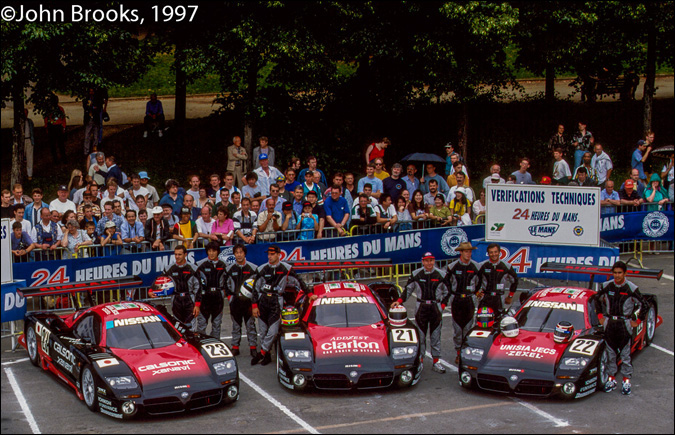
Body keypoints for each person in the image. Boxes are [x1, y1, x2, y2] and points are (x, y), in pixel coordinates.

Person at [391, 252, 449, 374]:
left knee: (435, 336)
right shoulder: (416, 274)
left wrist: (442, 305)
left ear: (434, 261)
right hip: (421, 307)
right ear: (422, 262)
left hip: (435, 307)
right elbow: (408, 289)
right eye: (427, 261)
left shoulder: (441, 274)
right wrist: (399, 301)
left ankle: (436, 361)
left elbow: (447, 292)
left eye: (431, 260)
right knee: (420, 336)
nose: (429, 263)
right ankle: (420, 361)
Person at [595, 261, 648, 395]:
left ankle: (626, 381)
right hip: (610, 323)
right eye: (615, 273)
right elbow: (596, 299)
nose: (617, 275)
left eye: (620, 273)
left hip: (625, 324)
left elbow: (644, 304)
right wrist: (600, 316)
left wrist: (637, 320)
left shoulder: (631, 288)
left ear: (625, 273)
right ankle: (611, 379)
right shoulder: (607, 286)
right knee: (610, 354)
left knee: (625, 355)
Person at [251, 245, 308, 365]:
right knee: (263, 331)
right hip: (262, 300)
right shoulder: (262, 269)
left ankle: (261, 352)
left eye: (272, 254)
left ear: (278, 255)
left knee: (273, 331)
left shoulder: (286, 268)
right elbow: (255, 289)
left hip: (276, 300)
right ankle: (267, 356)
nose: (270, 257)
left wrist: (309, 293)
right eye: (268, 254)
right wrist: (254, 306)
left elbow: (299, 281)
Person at [445, 242, 481, 363]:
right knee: (457, 330)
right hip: (456, 299)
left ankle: (466, 352)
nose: (468, 254)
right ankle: (458, 352)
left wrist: (477, 292)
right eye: (466, 251)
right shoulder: (452, 267)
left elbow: (480, 282)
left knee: (468, 328)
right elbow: (446, 283)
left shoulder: (476, 266)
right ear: (460, 252)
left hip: (470, 299)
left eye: (470, 251)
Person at [225, 244, 259, 356]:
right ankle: (235, 347)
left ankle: (253, 347)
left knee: (250, 325)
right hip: (235, 301)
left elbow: (257, 287)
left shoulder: (253, 268)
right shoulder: (229, 269)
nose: (239, 255)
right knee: (235, 325)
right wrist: (230, 297)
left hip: (248, 302)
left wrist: (254, 303)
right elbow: (225, 285)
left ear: (245, 253)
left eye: (241, 252)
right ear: (234, 254)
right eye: (237, 252)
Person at [159, 245, 202, 329]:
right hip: (176, 300)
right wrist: (151, 290)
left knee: (191, 327)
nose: (177, 257)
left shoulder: (193, 268)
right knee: (177, 327)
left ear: (185, 254)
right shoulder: (169, 268)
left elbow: (198, 288)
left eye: (180, 254)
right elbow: (159, 281)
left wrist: (197, 305)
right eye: (175, 254)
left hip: (189, 299)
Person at [195, 242, 227, 338]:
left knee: (217, 324)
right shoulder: (200, 265)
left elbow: (228, 281)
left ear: (218, 252)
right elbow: (195, 282)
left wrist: (225, 293)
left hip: (218, 298)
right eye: (209, 251)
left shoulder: (224, 265)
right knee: (202, 324)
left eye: (214, 251)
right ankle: (201, 345)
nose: (211, 253)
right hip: (205, 298)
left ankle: (216, 344)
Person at [477, 243, 518, 317]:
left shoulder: (506, 266)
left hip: (499, 298)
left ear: (499, 252)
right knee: (483, 320)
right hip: (485, 298)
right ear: (488, 254)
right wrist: (476, 292)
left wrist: (510, 296)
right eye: (491, 252)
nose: (493, 254)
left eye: (495, 252)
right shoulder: (482, 265)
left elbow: (515, 281)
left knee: (499, 320)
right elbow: (473, 280)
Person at [44, 94, 67, 161]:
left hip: (58, 126)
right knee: (53, 144)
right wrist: (46, 127)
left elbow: (63, 119)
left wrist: (64, 127)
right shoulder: (49, 110)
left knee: (61, 144)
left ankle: (63, 157)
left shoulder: (60, 109)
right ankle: (55, 158)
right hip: (51, 126)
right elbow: (46, 118)